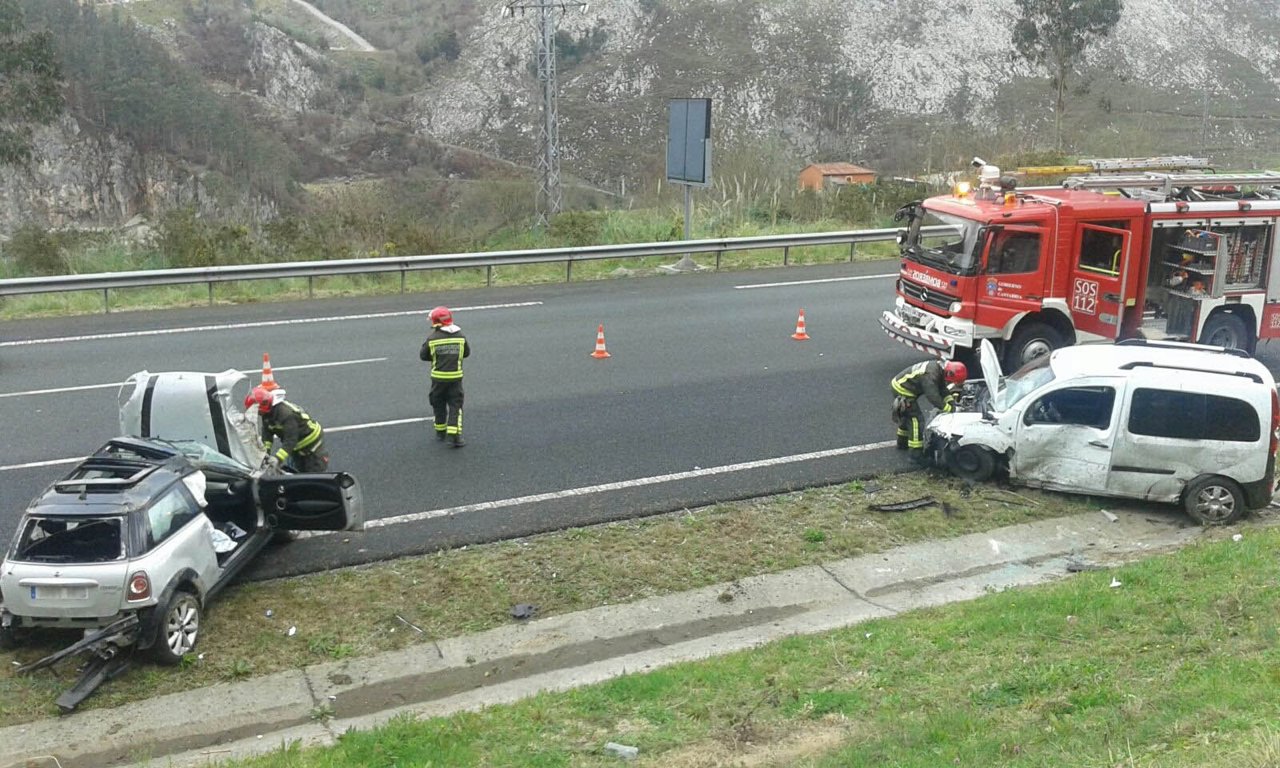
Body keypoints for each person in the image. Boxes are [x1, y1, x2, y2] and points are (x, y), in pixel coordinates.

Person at [890, 359, 967, 458]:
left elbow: (942, 389)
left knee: (906, 416)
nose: (949, 382)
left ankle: (902, 443)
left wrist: (952, 403)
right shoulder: (930, 376)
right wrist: (949, 409)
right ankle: (916, 454)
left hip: (902, 384)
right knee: (915, 420)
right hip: (902, 389)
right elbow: (933, 396)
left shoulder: (939, 369)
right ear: (949, 373)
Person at [244, 386, 329, 472]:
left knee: (313, 475)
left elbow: (291, 440)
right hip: (296, 445)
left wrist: (278, 459)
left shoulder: (286, 415)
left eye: (257, 410)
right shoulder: (267, 413)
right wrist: (265, 453)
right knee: (297, 472)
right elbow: (267, 434)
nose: (256, 413)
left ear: (262, 406)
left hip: (311, 444)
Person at [420, 305, 471, 447]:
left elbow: (423, 356)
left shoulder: (432, 338)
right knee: (456, 405)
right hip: (456, 379)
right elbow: (466, 353)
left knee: (438, 403)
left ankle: (440, 432)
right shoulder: (461, 336)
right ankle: (455, 437)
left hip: (438, 379)